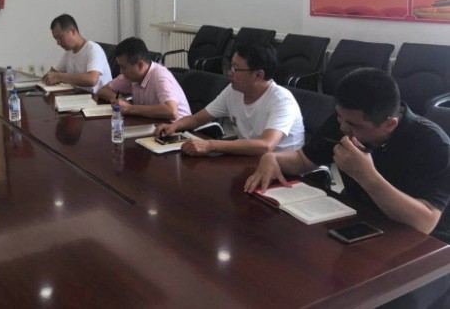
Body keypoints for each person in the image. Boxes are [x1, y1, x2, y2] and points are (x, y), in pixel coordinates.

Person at [244, 68, 449, 308]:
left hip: (427, 248)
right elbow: (302, 160)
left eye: (352, 125)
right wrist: (272, 158)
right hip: (361, 223)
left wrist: (367, 176)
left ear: (389, 124)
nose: (342, 128)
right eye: (339, 117)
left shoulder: (433, 144)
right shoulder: (345, 120)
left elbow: (424, 223)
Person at [154, 43, 304, 156]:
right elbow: (197, 119)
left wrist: (210, 145)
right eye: (230, 66)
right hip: (249, 159)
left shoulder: (281, 100)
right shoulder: (234, 90)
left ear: (258, 75)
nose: (229, 73)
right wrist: (174, 126)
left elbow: (265, 146)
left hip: (281, 169)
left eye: (235, 69)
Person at [97, 37, 190, 121]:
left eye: (124, 67)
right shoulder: (131, 76)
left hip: (180, 129)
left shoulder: (160, 77)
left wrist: (130, 108)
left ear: (140, 65)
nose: (121, 71)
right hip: (153, 124)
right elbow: (103, 90)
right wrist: (120, 100)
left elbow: (171, 111)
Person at [42, 14, 112, 94]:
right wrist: (49, 77)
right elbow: (52, 73)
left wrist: (58, 76)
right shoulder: (69, 52)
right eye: (56, 39)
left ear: (73, 31)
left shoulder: (93, 49)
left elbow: (92, 80)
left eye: (60, 37)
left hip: (98, 98)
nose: (58, 43)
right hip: (79, 96)